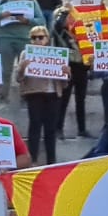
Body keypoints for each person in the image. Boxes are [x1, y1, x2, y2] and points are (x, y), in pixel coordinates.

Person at [0, 0, 46, 104]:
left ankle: (25, 95)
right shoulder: (4, 1)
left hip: (25, 38)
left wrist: (27, 20)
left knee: (25, 68)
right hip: (6, 38)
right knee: (5, 69)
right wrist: (1, 15)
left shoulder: (31, 2)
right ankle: (3, 95)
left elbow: (41, 20)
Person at [17, 25, 65, 164]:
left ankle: (51, 161)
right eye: (34, 38)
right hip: (34, 93)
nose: (37, 40)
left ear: (47, 39)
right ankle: (33, 160)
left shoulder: (57, 54)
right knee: (35, 125)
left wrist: (67, 73)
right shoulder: (25, 54)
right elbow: (19, 79)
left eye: (40, 37)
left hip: (53, 94)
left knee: (51, 129)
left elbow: (64, 81)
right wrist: (22, 68)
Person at [53, 6, 92, 140]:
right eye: (68, 17)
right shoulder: (60, 32)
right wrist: (66, 10)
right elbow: (58, 24)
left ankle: (82, 129)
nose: (70, 19)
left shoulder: (83, 31)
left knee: (81, 100)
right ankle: (58, 128)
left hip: (82, 67)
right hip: (68, 66)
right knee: (64, 99)